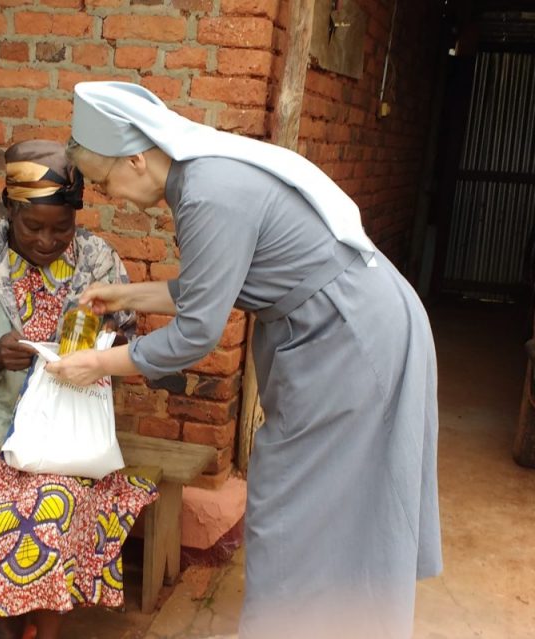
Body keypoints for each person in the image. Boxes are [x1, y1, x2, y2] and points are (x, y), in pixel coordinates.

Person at [47, 82, 441, 639]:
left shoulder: (207, 192)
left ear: (135, 158)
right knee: (315, 499)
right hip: (343, 323)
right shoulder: (202, 177)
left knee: (292, 504)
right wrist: (124, 296)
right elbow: (211, 288)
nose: (112, 196)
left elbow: (196, 334)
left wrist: (96, 365)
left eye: (107, 181)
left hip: (351, 336)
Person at [0, 140, 157, 639]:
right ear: (9, 208)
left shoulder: (97, 260)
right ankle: (4, 628)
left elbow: (127, 344)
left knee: (55, 511)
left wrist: (99, 352)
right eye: (33, 226)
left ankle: (42, 633)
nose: (48, 240)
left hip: (67, 442)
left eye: (62, 227)